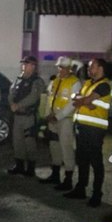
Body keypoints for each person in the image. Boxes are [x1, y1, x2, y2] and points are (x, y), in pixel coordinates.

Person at [65, 58, 112, 207]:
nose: (88, 69)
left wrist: (84, 100)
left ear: (100, 68)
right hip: (82, 126)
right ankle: (80, 188)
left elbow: (84, 100)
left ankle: (97, 194)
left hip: (95, 129)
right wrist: (84, 101)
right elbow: (75, 98)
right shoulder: (87, 83)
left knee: (95, 161)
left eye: (92, 67)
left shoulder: (104, 85)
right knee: (82, 159)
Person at [41, 56, 80, 188]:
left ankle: (68, 180)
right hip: (53, 119)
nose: (60, 69)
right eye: (59, 67)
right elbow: (49, 98)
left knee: (66, 148)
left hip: (65, 120)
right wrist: (47, 115)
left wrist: (58, 116)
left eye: (63, 67)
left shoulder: (75, 83)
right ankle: (55, 175)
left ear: (69, 69)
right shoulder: (55, 81)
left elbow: (72, 104)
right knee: (54, 147)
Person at [8, 55, 43, 177]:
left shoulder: (37, 81)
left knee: (29, 142)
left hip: (29, 116)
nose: (23, 65)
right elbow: (11, 92)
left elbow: (33, 97)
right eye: (23, 63)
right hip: (18, 116)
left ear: (33, 66)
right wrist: (12, 103)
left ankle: (31, 168)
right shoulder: (18, 79)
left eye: (26, 63)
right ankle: (19, 166)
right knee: (17, 141)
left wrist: (18, 105)